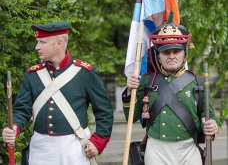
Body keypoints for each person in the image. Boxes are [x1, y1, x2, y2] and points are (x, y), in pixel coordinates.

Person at [2, 22, 113, 165]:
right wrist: (14, 127)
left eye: (42, 42)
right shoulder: (32, 75)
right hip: (41, 148)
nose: (37, 47)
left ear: (59, 43)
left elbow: (104, 111)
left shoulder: (85, 73)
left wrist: (98, 142)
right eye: (37, 42)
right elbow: (21, 110)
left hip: (74, 147)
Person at [122, 23, 218, 165]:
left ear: (184, 54)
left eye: (176, 51)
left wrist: (212, 126)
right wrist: (130, 91)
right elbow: (131, 116)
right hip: (156, 151)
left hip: (188, 150)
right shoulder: (147, 81)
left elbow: (209, 118)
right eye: (166, 52)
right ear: (158, 56)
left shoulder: (198, 83)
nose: (171, 56)